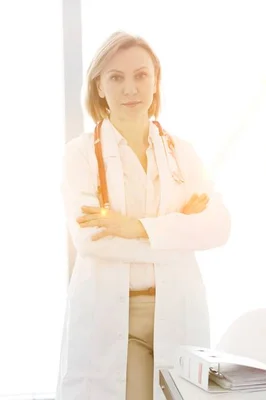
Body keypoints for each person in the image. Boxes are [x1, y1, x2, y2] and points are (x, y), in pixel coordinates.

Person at [56, 31, 231, 400]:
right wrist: (178, 231)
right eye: (115, 78)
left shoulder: (181, 152)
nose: (130, 88)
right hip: (113, 312)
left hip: (177, 306)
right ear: (99, 86)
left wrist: (134, 227)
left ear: (155, 82)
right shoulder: (81, 155)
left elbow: (218, 226)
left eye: (141, 75)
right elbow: (92, 240)